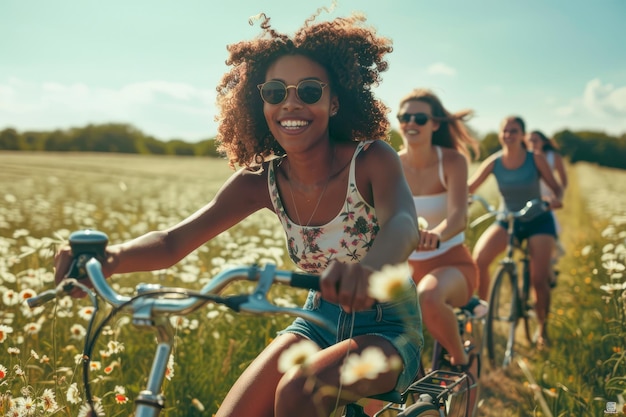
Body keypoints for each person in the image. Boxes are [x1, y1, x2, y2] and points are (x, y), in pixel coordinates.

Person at [54, 11, 423, 417]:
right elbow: (173, 241)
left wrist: (367, 270)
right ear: (260, 103)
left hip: (387, 325)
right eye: (276, 92)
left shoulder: (371, 159)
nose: (291, 103)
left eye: (310, 91)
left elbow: (402, 223)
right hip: (314, 318)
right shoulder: (259, 182)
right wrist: (109, 260)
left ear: (335, 102)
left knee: (298, 392)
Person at [397, 88, 481, 413]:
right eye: (404, 117)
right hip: (405, 268)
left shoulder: (453, 161)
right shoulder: (391, 163)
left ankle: (462, 365)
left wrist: (435, 234)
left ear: (434, 124)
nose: (410, 123)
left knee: (429, 296)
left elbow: (459, 217)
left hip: (452, 264)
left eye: (419, 117)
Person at [468, 116, 563, 349]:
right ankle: (484, 316)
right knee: (479, 259)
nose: (509, 135)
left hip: (538, 220)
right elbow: (468, 187)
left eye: (514, 131)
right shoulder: (494, 162)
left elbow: (556, 188)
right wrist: (465, 199)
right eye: (505, 131)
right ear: (500, 134)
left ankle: (542, 330)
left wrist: (555, 200)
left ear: (522, 135)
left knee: (538, 279)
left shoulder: (535, 159)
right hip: (508, 220)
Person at [525, 130, 568, 277]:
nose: (532, 143)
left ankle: (547, 268)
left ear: (543, 142)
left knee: (547, 240)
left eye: (535, 140)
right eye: (529, 140)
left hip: (546, 203)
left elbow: (563, 181)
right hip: (528, 202)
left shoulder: (553, 157)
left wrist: (558, 198)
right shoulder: (524, 157)